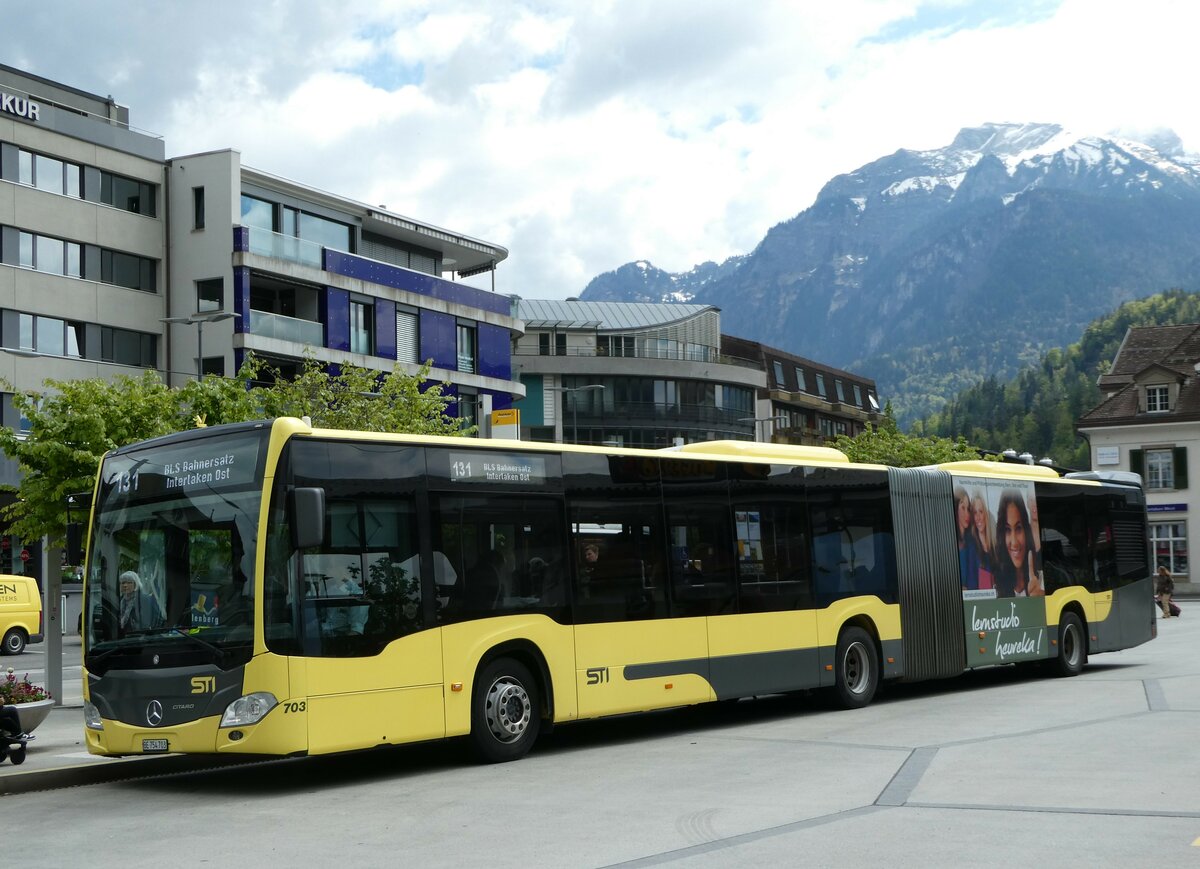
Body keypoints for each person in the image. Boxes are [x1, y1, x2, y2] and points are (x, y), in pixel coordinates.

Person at [993, 491, 1044, 598]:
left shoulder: (1041, 582)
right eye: (1007, 530)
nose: (1014, 542)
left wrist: (1040, 600)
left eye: (1018, 528)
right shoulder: (996, 589)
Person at [955, 487, 981, 590]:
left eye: (968, 509)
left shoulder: (971, 543)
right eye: (963, 507)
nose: (967, 514)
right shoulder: (948, 541)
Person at [971, 492, 996, 590]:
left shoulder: (995, 543)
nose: (978, 517)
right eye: (975, 513)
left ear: (985, 513)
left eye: (981, 511)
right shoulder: (972, 546)